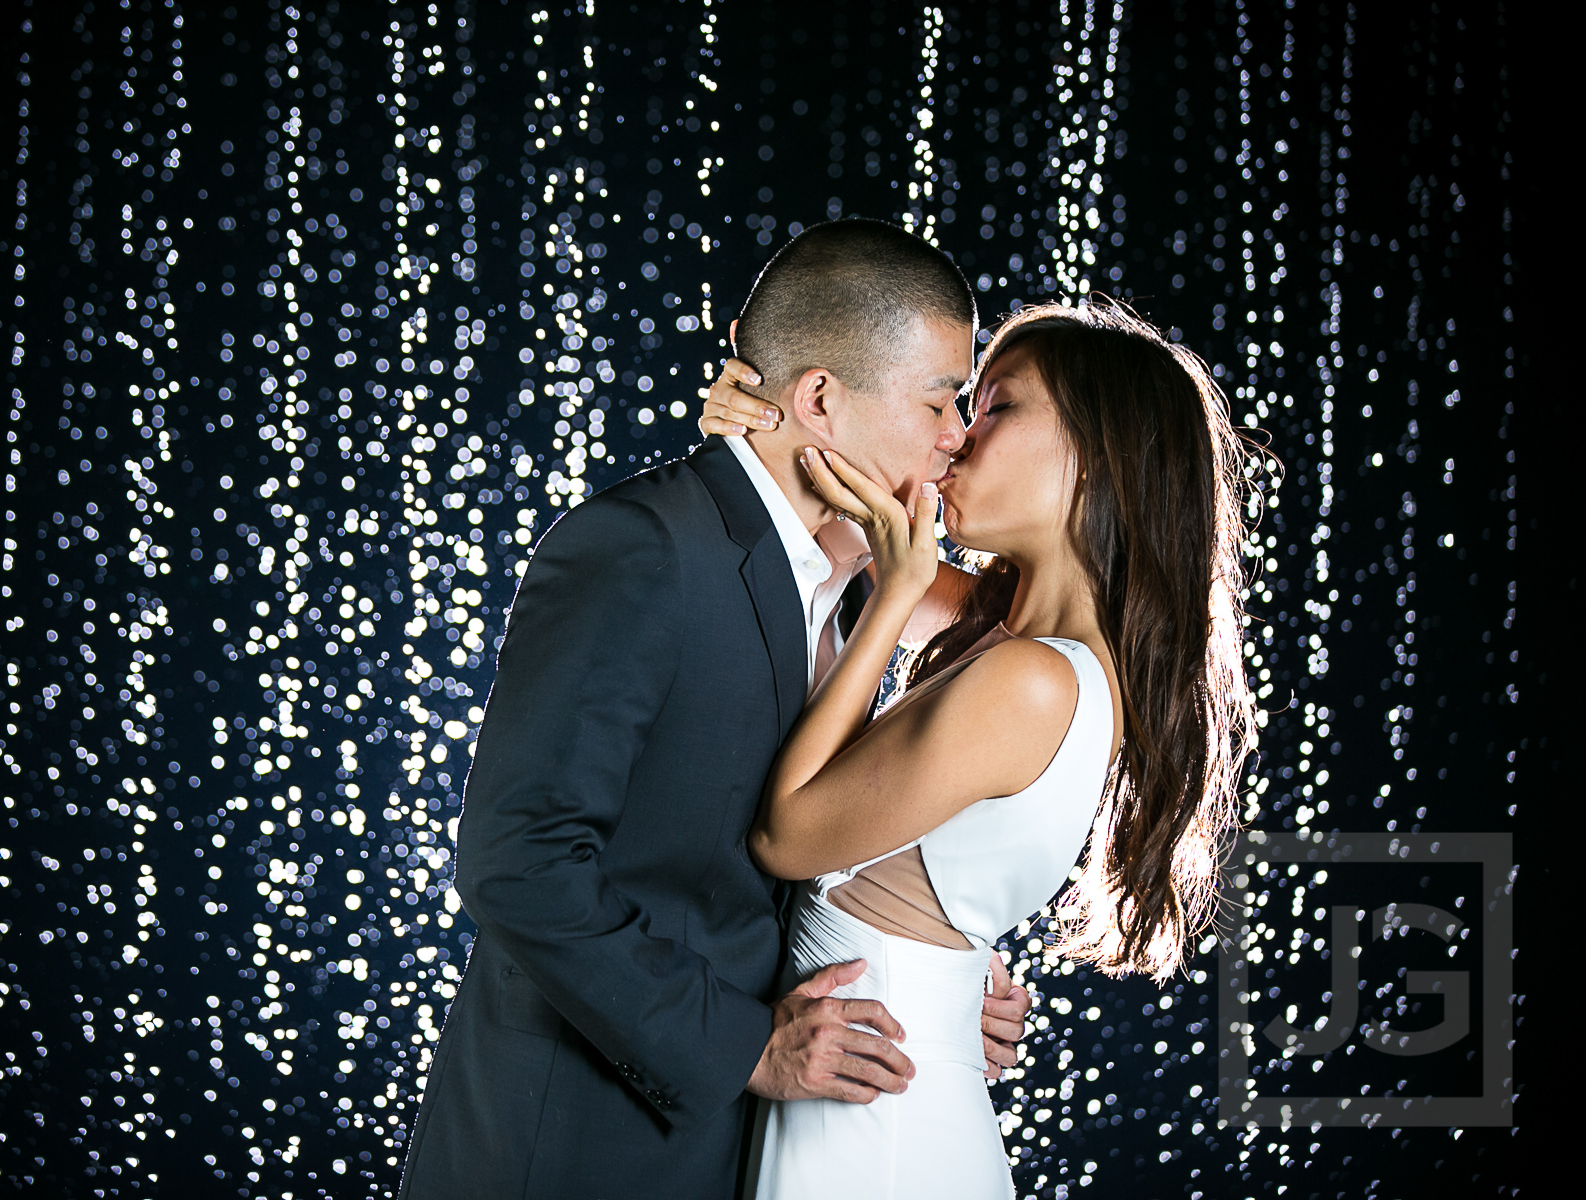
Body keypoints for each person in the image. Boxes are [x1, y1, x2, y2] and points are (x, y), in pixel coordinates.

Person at [398, 219, 1033, 1200]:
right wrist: (745, 1049)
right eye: (943, 399)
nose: (959, 436)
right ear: (820, 398)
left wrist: (942, 984)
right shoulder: (641, 548)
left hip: (752, 1151)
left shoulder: (876, 585)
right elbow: (517, 858)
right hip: (577, 1145)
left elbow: (811, 853)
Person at [700, 299, 1257, 1198]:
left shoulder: (1031, 679)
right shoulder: (1005, 638)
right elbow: (848, 533)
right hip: (868, 1081)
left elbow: (789, 838)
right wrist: (764, 418)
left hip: (876, 1129)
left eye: (996, 407)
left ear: (1096, 458)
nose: (955, 437)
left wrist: (887, 605)